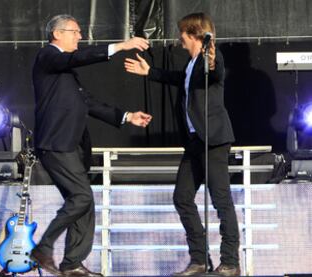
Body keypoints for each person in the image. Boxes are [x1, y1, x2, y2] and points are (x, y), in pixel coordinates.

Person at [30, 14, 152, 277]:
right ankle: (43, 247)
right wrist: (120, 46)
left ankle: (72, 263)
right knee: (82, 197)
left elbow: (88, 102)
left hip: (71, 145)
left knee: (84, 203)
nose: (79, 36)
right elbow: (75, 58)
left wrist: (127, 116)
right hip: (55, 143)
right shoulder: (48, 57)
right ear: (57, 34)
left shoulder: (65, 71)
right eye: (75, 31)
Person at [124, 12, 240, 276]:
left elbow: (215, 71)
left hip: (213, 140)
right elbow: (182, 80)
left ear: (193, 34)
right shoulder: (190, 64)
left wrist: (210, 57)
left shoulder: (211, 58)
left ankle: (230, 262)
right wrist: (150, 72)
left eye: (182, 34)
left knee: (221, 201)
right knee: (182, 197)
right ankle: (199, 260)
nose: (179, 40)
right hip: (195, 142)